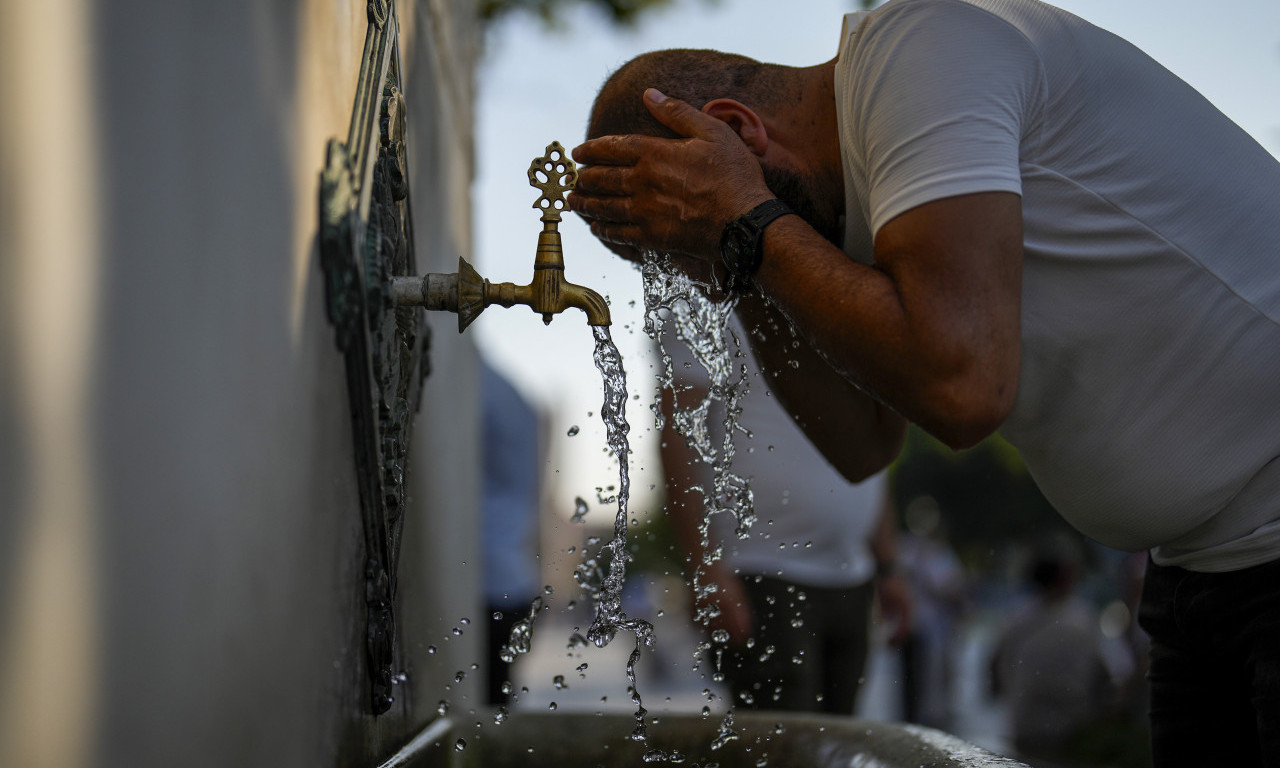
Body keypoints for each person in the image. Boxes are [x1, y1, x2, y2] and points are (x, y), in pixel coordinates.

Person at [565, 0, 1280, 764]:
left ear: (738, 132)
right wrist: (742, 250)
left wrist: (740, 224)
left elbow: (963, 387)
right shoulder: (843, 217)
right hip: (1198, 575)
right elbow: (864, 445)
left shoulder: (920, 49)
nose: (707, 288)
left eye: (689, 249)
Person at [657, 315, 911, 713]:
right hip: (759, 572)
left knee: (838, 738)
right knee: (782, 738)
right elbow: (679, 432)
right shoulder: (709, 293)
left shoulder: (854, 298)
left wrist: (888, 565)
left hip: (852, 575)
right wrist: (706, 567)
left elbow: (872, 448)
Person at [990, 542, 1116, 767]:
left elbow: (995, 675)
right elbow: (1107, 676)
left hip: (1024, 726)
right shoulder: (1082, 619)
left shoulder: (1015, 620)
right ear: (1064, 579)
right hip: (1074, 732)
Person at [480, 359, 542, 706]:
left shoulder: (474, 386)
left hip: (489, 581)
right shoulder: (509, 391)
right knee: (494, 701)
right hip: (515, 580)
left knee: (482, 703)